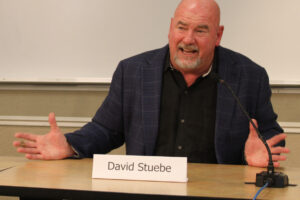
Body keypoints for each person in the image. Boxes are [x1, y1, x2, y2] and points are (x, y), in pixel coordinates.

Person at [13, 0, 289, 167]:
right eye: (182, 27)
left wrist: (260, 154)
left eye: (201, 30)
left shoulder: (249, 75)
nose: (188, 39)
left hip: (218, 193)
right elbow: (105, 130)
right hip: (147, 191)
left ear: (218, 35)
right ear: (170, 28)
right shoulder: (133, 71)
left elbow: (269, 134)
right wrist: (70, 146)